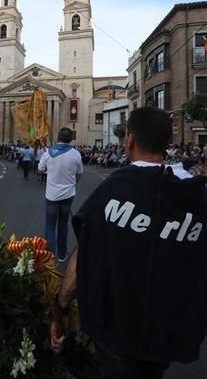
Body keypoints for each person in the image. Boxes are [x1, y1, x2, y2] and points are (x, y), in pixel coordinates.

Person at [50, 107, 207, 378]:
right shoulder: (195, 196)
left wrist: (61, 305)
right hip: (165, 331)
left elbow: (84, 252)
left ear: (130, 140)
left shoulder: (114, 188)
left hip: (115, 327)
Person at [38, 127, 83, 262]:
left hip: (52, 195)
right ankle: (62, 255)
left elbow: (40, 170)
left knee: (50, 225)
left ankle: (50, 255)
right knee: (63, 224)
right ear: (70, 139)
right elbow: (79, 175)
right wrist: (72, 182)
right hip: (68, 195)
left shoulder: (48, 153)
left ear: (58, 137)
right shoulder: (76, 154)